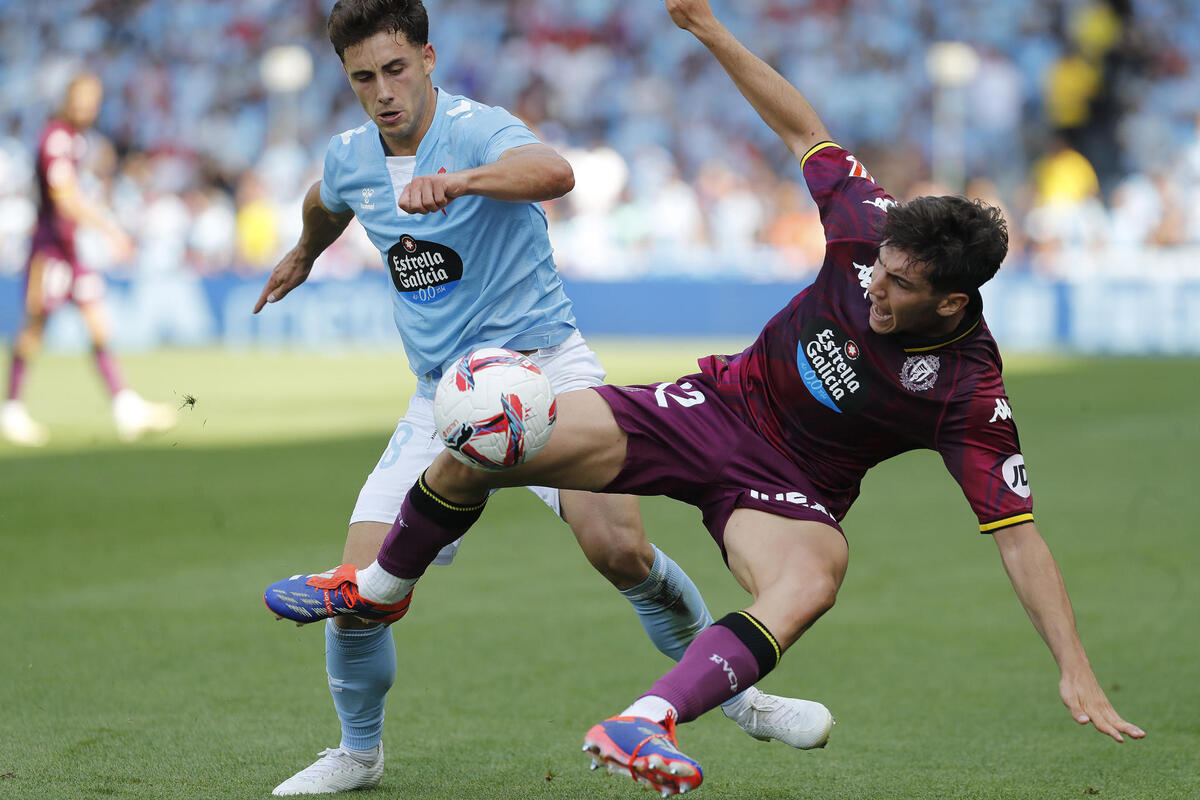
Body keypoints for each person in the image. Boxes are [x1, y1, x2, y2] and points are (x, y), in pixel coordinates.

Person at [265, 1, 1146, 796]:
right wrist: (710, 27)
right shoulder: (868, 225)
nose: (876, 284)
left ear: (951, 304)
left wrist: (1073, 666)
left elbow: (1020, 540)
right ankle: (373, 622)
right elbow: (800, 123)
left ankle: (652, 718)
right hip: (709, 408)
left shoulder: (969, 392)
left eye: (902, 285)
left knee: (808, 577)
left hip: (781, 485)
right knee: (480, 437)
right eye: (880, 266)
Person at [257, 1, 828, 795]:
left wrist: (457, 182)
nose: (383, 91)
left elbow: (555, 173)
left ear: (426, 57)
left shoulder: (477, 128)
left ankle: (744, 698)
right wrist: (302, 254)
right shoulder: (353, 157)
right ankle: (358, 754)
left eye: (395, 69)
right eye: (363, 77)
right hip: (444, 399)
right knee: (360, 595)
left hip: (547, 370)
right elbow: (327, 200)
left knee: (619, 549)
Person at [2, 72, 176, 446]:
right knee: (33, 328)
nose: (86, 107)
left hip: (70, 251)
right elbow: (65, 199)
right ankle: (12, 409)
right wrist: (110, 229)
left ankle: (125, 408)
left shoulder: (75, 140)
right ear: (67, 99)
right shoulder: (55, 139)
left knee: (99, 326)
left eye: (92, 101)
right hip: (50, 251)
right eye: (81, 99)